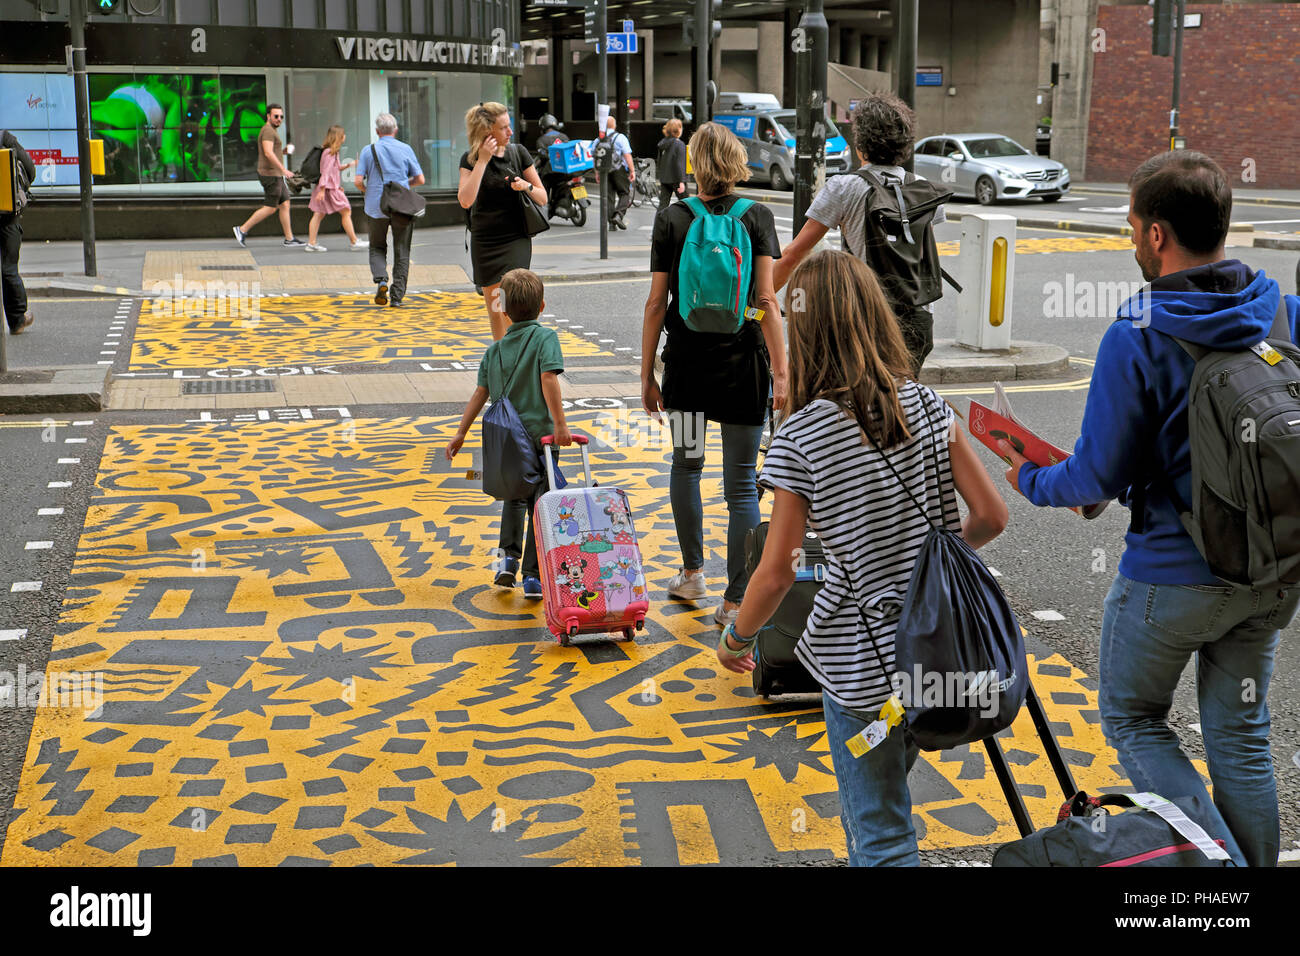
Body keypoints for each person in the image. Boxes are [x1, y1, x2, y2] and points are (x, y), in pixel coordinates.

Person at [998, 150, 1300, 869]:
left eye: (1133, 228)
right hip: (1274, 569)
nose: (1132, 242)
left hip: (1172, 578)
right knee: (1240, 735)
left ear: (1157, 235)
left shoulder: (1138, 331)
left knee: (1134, 719)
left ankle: (1217, 881)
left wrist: (1030, 479)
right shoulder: (1284, 309)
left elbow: (1097, 472)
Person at [717, 250, 1007, 865]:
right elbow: (990, 517)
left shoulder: (802, 435)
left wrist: (737, 640)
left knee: (878, 833)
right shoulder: (929, 406)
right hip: (935, 648)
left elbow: (780, 568)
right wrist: (928, 571)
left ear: (807, 330)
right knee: (890, 793)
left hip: (860, 661)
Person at [641, 121, 788, 629]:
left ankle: (692, 573)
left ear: (695, 164)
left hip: (685, 367)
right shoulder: (758, 217)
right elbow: (766, 301)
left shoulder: (673, 219)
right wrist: (783, 374)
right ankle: (735, 600)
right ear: (737, 162)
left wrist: (647, 373)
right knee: (743, 485)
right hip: (745, 365)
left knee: (686, 466)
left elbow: (657, 302)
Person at [773, 92, 947, 373]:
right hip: (919, 319)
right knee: (904, 404)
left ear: (860, 144)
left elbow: (794, 254)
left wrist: (759, 297)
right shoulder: (923, 189)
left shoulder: (844, 187)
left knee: (862, 404)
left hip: (867, 319)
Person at [446, 268, 573, 597]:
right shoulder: (545, 338)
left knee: (514, 498)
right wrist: (560, 424)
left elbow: (480, 394)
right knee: (540, 505)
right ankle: (532, 576)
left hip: (506, 438)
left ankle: (506, 561)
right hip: (541, 438)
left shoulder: (495, 350)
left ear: (502, 309)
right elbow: (549, 379)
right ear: (542, 306)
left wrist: (460, 433)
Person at [458, 103, 547, 341]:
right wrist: (483, 161)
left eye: (510, 126)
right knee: (496, 309)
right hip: (486, 242)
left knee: (514, 303)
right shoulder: (471, 160)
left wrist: (525, 186)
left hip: (515, 238)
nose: (510, 132)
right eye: (504, 128)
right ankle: (502, 359)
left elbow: (542, 197)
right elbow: (466, 200)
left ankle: (518, 355)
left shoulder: (519, 153)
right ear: (487, 132)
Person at [354, 113, 424, 308]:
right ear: (395, 130)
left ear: (377, 131)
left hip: (376, 207)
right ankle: (397, 297)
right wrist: (402, 186)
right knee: (402, 250)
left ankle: (381, 279)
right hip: (401, 206)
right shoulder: (406, 149)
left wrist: (368, 191)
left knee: (377, 246)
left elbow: (358, 181)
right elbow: (420, 180)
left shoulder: (369, 151)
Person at [232, 104, 306, 248]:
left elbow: (272, 152)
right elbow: (267, 152)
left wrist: (284, 151)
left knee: (285, 203)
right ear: (268, 116)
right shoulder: (267, 131)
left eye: (281, 117)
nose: (279, 119)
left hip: (275, 174)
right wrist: (284, 170)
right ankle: (242, 229)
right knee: (271, 207)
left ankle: (289, 238)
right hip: (270, 175)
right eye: (276, 116)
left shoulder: (271, 131)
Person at [306, 124, 366, 252]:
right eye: (343, 134)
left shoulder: (331, 151)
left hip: (329, 188)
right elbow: (326, 172)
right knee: (345, 211)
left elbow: (336, 168)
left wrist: (351, 164)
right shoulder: (329, 152)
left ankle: (311, 243)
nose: (345, 136)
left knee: (319, 214)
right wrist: (322, 190)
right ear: (339, 137)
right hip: (328, 189)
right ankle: (354, 241)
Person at [1, 129, 35, 336]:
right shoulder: (4, 138)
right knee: (8, 267)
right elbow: (30, 169)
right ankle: (17, 320)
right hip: (6, 214)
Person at [592, 116, 634, 230]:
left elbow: (595, 158)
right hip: (618, 170)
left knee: (609, 196)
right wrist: (632, 170)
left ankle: (611, 223)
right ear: (614, 125)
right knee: (624, 193)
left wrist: (597, 173)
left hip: (604, 171)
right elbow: (627, 155)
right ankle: (618, 215)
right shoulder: (620, 137)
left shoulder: (597, 140)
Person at [534, 114, 571, 220]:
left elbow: (542, 156)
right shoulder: (564, 137)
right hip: (566, 172)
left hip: (550, 172)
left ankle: (544, 209)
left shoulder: (541, 140)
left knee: (543, 187)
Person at [656, 118, 687, 209]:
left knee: (663, 204)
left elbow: (659, 161)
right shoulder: (679, 144)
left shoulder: (663, 143)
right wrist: (681, 182)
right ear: (678, 130)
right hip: (676, 179)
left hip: (665, 179)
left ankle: (659, 223)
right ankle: (689, 222)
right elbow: (679, 164)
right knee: (687, 204)